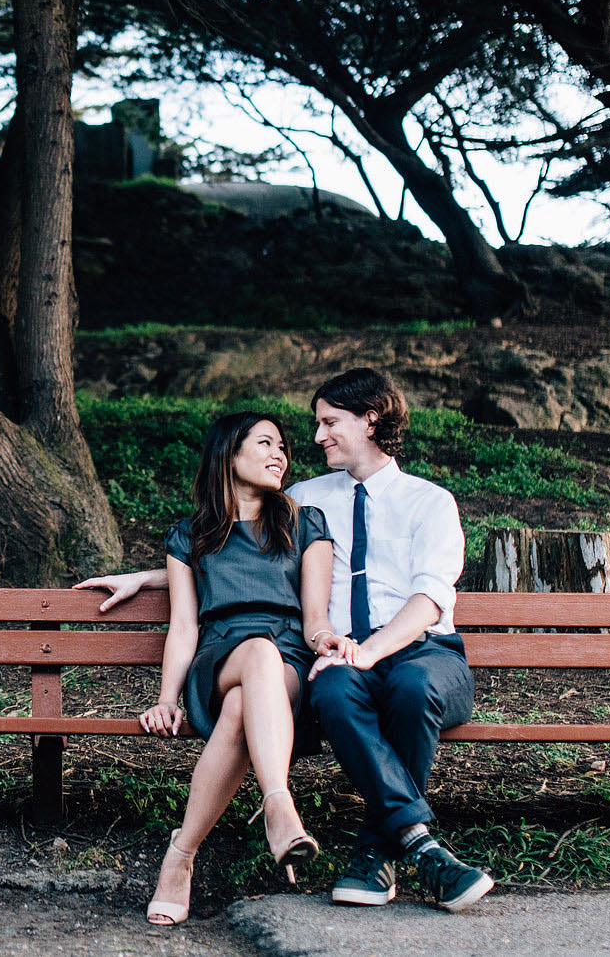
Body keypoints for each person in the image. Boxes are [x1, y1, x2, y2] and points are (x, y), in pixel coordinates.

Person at [76, 369, 494, 913]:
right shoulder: (301, 499)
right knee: (332, 689)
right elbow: (234, 551)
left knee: (407, 689)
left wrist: (355, 648)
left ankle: (380, 848)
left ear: (370, 420)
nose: (313, 438)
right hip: (316, 658)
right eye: (306, 429)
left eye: (328, 423)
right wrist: (150, 575)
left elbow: (430, 599)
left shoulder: (428, 502)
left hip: (418, 651)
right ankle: (287, 807)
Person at [131, 410, 343, 926]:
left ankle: (180, 858)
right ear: (229, 452)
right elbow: (184, 627)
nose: (281, 456)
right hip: (220, 657)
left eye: (283, 448)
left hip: (289, 662)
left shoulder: (305, 523)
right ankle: (278, 802)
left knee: (248, 697)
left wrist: (326, 639)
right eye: (266, 443)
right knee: (255, 656)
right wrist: (166, 699)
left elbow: (315, 617)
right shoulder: (189, 536)